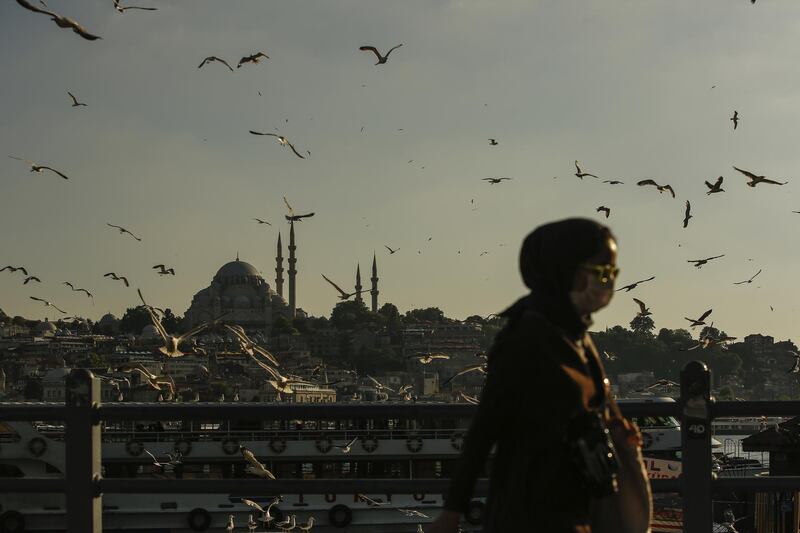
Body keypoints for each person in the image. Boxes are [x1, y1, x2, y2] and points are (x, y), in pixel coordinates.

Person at [429, 218, 633, 533]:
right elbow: (485, 430)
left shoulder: (578, 338)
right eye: (603, 271)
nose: (609, 282)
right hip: (530, 511)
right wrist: (452, 511)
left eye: (613, 273)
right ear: (567, 270)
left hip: (579, 507)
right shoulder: (524, 339)